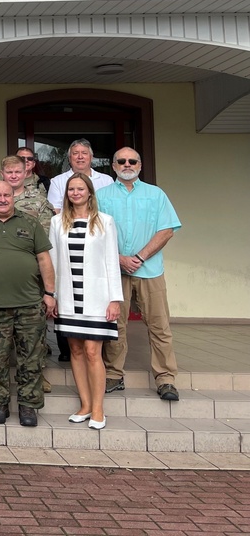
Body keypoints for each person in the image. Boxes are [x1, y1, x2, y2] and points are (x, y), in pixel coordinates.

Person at [0, 181, 57, 427]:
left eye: (7, 195)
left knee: (32, 357)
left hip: (29, 304)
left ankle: (28, 406)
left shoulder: (30, 222)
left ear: (13, 197)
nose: (3, 199)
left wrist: (49, 293)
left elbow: (44, 259)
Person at [97, 148, 182, 401]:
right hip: (114, 271)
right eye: (121, 161)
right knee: (114, 325)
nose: (127, 164)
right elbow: (96, 232)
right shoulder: (101, 196)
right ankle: (113, 374)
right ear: (113, 166)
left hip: (151, 270)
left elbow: (167, 230)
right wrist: (119, 259)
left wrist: (140, 257)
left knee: (159, 326)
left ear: (140, 165)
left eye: (132, 161)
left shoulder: (156, 195)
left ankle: (165, 378)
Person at [50, 173, 122, 430]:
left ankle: (99, 409)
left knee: (93, 352)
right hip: (69, 298)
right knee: (76, 351)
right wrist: (54, 296)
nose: (76, 192)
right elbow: (54, 262)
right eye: (71, 189)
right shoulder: (57, 222)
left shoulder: (105, 221)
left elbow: (112, 261)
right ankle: (84, 404)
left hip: (97, 299)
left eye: (80, 188)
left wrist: (115, 299)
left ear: (90, 192)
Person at [47, 139, 114, 214]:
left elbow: (113, 209)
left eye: (84, 153)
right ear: (69, 158)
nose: (80, 157)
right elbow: (55, 212)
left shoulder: (107, 181)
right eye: (75, 153)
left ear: (91, 157)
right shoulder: (57, 181)